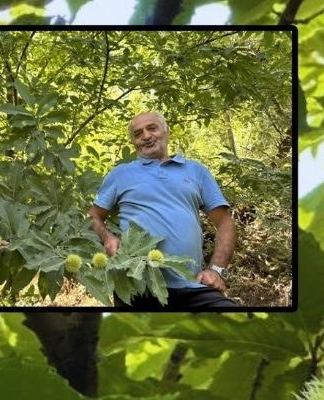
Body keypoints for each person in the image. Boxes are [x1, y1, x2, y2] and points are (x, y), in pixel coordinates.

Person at [87, 111, 237, 310]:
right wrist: (108, 237)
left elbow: (225, 222)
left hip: (192, 284)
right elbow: (93, 216)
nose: (146, 136)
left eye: (152, 128)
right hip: (136, 283)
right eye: (138, 133)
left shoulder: (196, 171)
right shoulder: (120, 174)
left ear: (166, 132)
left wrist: (217, 270)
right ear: (133, 142)